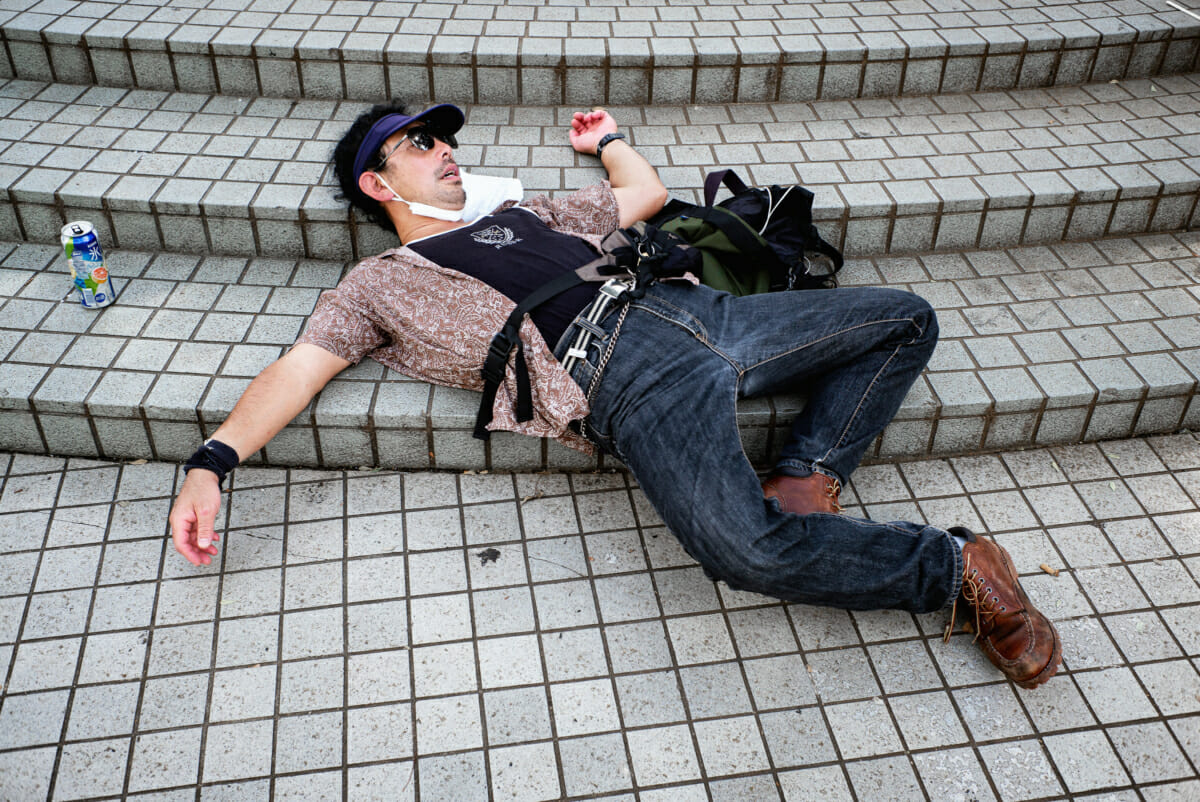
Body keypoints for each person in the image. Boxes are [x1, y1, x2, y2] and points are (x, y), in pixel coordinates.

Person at [169, 101, 1061, 689]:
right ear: (376, 183)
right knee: (744, 555)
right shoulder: (378, 283)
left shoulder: (522, 214)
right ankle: (954, 568)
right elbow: (300, 365)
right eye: (419, 145)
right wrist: (213, 461)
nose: (445, 152)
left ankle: (805, 474)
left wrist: (606, 142)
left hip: (700, 310)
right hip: (626, 378)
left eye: (446, 141)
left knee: (905, 316)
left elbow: (643, 195)